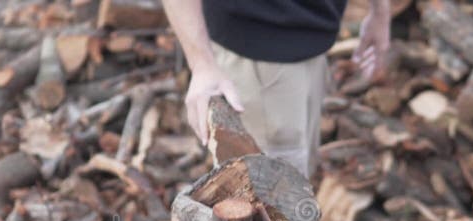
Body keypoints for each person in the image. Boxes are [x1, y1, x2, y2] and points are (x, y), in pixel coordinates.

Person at [161, 0, 392, 178]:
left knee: (296, 182)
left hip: (314, 42)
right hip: (255, 57)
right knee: (263, 213)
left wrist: (380, 11)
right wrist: (202, 65)